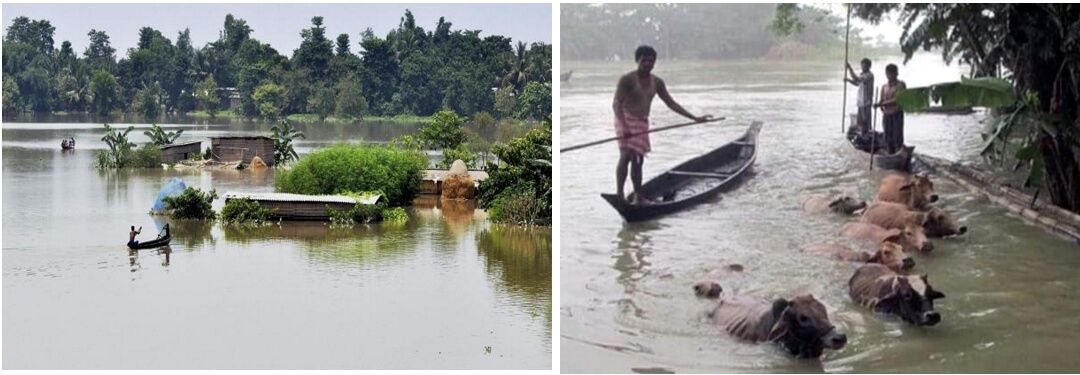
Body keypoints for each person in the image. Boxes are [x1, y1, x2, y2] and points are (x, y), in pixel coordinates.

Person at [613, 45, 711, 205]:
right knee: (625, 155)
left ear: (654, 62)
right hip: (624, 118)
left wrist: (694, 118)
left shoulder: (657, 82)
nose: (647, 64)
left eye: (650, 61)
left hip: (642, 121)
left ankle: (638, 196)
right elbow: (616, 104)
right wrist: (624, 127)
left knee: (638, 159)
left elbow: (671, 103)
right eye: (644, 60)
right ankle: (620, 195)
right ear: (637, 60)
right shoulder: (627, 79)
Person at [876, 64, 907, 154]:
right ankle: (890, 153)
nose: (889, 76)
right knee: (888, 136)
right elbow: (881, 99)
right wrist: (879, 104)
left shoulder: (901, 85)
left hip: (896, 113)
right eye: (888, 74)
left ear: (896, 74)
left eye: (891, 74)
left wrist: (882, 103)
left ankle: (899, 153)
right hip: (887, 114)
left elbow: (897, 99)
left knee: (897, 136)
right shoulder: (884, 86)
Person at [845, 58, 875, 134]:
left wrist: (850, 68)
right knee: (861, 121)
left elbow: (856, 78)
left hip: (866, 101)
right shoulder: (862, 75)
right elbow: (857, 83)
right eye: (862, 66)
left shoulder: (869, 75)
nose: (863, 67)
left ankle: (868, 134)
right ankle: (862, 134)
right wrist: (848, 80)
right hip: (860, 101)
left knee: (866, 121)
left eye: (865, 66)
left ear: (869, 66)